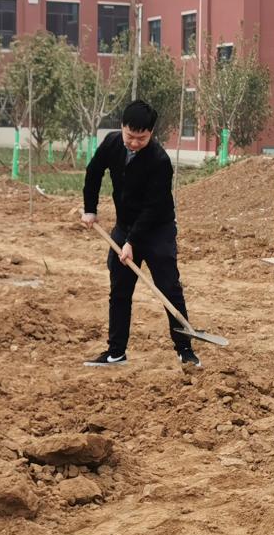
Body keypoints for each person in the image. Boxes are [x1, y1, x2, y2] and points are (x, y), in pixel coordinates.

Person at [81, 100, 200, 368]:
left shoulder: (159, 161)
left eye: (141, 138)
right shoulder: (112, 143)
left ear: (151, 133)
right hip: (125, 226)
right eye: (130, 136)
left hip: (157, 229)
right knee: (119, 290)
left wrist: (131, 242)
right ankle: (116, 352)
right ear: (122, 127)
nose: (134, 143)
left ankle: (185, 349)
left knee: (169, 289)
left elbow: (152, 207)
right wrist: (90, 209)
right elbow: (93, 171)